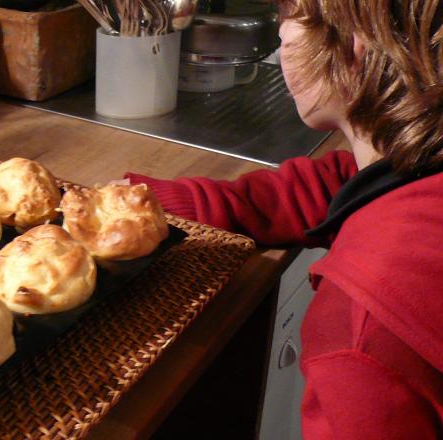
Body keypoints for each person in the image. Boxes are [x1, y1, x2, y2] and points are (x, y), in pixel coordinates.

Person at [124, 0, 443, 438]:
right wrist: (177, 205)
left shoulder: (363, 329)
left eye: (289, 15)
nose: (281, 35)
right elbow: (349, 180)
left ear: (356, 44)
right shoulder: (419, 169)